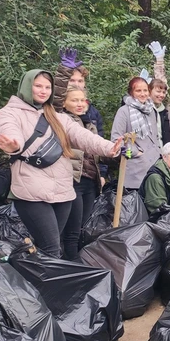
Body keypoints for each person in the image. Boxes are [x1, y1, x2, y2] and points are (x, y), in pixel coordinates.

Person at [0, 70, 121, 259]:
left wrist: (110, 148)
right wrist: (14, 145)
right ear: (27, 86)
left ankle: (32, 280)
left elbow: (82, 136)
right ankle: (51, 287)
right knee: (51, 247)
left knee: (48, 247)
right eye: (38, 86)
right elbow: (10, 132)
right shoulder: (8, 113)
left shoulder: (58, 116)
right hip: (31, 191)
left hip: (62, 190)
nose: (43, 91)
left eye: (47, 87)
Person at [59, 88, 104, 259]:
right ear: (64, 103)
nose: (79, 104)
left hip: (89, 181)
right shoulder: (62, 122)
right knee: (72, 231)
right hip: (72, 180)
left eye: (82, 100)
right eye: (74, 100)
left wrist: (117, 154)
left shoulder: (88, 123)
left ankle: (78, 265)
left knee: (81, 229)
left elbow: (95, 153)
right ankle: (72, 269)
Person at [111, 77, 162, 191]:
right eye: (138, 91)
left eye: (145, 90)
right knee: (134, 206)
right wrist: (134, 153)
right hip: (134, 169)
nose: (143, 94)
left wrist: (159, 152)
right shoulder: (124, 111)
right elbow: (116, 140)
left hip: (154, 167)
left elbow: (156, 136)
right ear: (131, 93)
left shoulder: (151, 110)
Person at [55, 47, 104, 135]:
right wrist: (64, 71)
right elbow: (57, 94)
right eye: (72, 80)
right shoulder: (57, 107)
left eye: (80, 81)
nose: (76, 84)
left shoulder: (92, 112)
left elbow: (100, 137)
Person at [148, 79, 170, 145]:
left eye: (163, 92)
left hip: (161, 150)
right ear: (149, 91)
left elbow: (166, 135)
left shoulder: (164, 111)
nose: (161, 95)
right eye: (158, 91)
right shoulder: (144, 109)